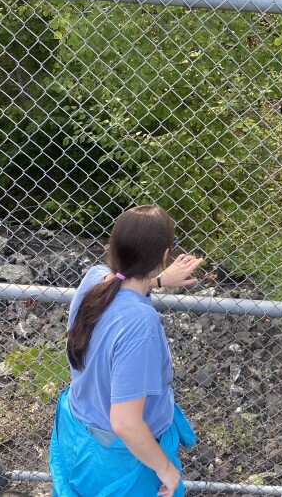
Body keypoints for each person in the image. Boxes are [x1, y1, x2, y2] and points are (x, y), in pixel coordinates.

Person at [49, 204, 205, 497]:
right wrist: (167, 471)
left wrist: (156, 280)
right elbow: (126, 423)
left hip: (76, 435)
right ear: (163, 255)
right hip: (119, 459)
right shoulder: (140, 323)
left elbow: (122, 283)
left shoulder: (94, 279)